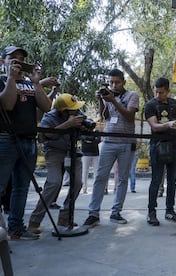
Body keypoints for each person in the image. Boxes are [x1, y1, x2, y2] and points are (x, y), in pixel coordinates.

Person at [0, 46, 51, 240]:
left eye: (21, 59)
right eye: (13, 58)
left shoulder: (30, 84)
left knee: (21, 188)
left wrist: (37, 83)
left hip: (28, 141)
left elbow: (46, 106)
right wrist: (11, 78)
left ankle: (16, 228)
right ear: (2, 61)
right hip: (6, 140)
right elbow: (7, 104)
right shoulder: (2, 81)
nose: (19, 62)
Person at [83, 69, 138, 228]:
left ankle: (116, 212)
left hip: (126, 142)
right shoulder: (108, 95)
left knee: (122, 179)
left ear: (123, 82)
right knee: (100, 177)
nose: (113, 85)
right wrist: (101, 100)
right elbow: (105, 116)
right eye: (111, 82)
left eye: (117, 82)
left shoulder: (131, 95)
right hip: (108, 141)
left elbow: (129, 116)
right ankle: (93, 213)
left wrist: (113, 100)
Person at [28, 93, 86, 234]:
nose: (76, 110)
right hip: (54, 151)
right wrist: (68, 124)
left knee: (77, 183)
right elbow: (46, 136)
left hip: (72, 151)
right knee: (54, 183)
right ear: (62, 110)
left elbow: (85, 128)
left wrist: (85, 129)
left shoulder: (78, 113)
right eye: (72, 108)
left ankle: (65, 217)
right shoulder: (50, 117)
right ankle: (34, 221)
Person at [145, 77, 176, 226]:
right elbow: (154, 126)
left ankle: (170, 210)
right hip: (157, 145)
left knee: (172, 180)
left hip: (174, 145)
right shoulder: (150, 105)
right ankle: (151, 212)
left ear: (167, 91)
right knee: (156, 179)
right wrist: (169, 124)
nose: (158, 95)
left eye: (161, 92)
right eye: (156, 92)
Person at [80, 127, 101, 194]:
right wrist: (92, 140)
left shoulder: (96, 132)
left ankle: (96, 188)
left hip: (95, 153)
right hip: (85, 153)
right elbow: (82, 138)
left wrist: (89, 140)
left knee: (96, 171)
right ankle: (84, 188)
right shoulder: (83, 132)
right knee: (85, 171)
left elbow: (99, 140)